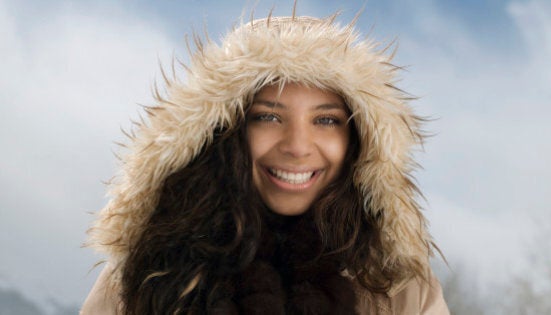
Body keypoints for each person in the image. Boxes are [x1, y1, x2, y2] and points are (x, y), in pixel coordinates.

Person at [82, 8, 450, 315]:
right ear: (224, 131)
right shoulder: (148, 273)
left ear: (358, 140)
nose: (297, 146)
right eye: (268, 117)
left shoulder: (400, 289)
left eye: (325, 120)